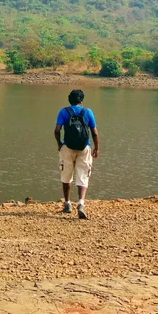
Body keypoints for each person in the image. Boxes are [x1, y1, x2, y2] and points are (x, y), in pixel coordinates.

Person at [54, 89, 100, 220]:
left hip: (67, 147)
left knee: (66, 175)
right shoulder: (88, 112)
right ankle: (81, 203)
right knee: (83, 175)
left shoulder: (64, 112)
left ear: (69, 99)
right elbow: (94, 132)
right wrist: (96, 148)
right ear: (81, 100)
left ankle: (67, 203)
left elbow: (57, 130)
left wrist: (59, 144)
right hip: (85, 147)